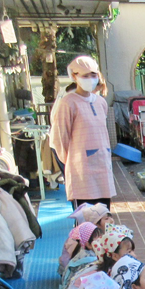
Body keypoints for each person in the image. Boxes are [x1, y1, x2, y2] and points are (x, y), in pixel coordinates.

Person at [50, 55, 116, 209]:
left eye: (93, 75)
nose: (90, 79)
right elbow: (60, 138)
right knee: (86, 216)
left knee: (104, 214)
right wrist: (73, 161)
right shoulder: (68, 103)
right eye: (85, 76)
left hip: (102, 164)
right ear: (74, 76)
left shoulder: (100, 102)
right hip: (81, 169)